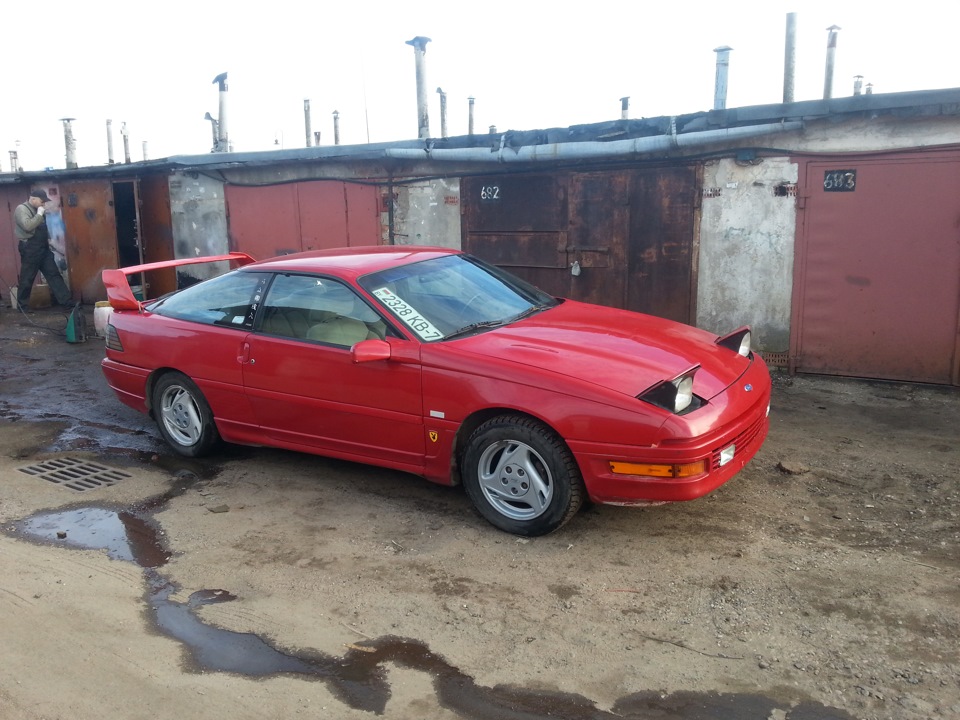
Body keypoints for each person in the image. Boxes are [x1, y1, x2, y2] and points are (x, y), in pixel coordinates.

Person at [14, 189, 72, 310]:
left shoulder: (38, 209)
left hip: (43, 248)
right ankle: (22, 306)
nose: (43, 204)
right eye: (42, 201)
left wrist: (49, 239)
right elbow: (28, 226)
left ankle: (67, 302)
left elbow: (43, 227)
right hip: (30, 248)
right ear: (33, 199)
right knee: (27, 277)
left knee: (54, 274)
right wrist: (39, 214)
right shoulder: (22, 209)